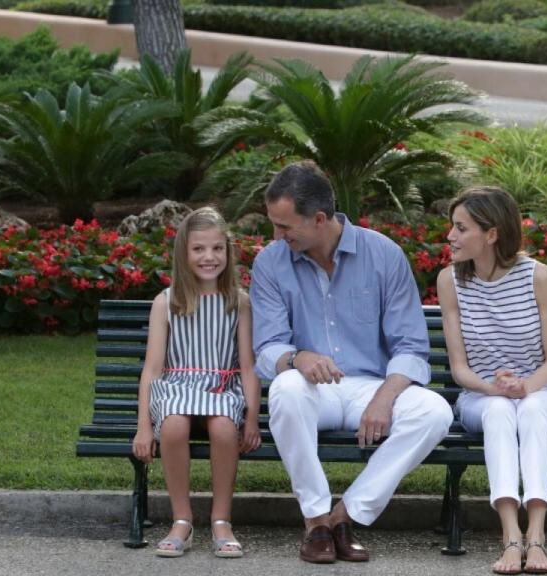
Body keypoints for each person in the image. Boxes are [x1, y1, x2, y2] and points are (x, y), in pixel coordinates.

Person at [250, 160, 453, 564]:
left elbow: (411, 346)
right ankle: (315, 521)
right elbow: (268, 347)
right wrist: (298, 357)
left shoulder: (384, 255)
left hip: (370, 387)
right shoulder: (271, 262)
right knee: (286, 390)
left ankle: (345, 516)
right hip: (312, 389)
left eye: (284, 226)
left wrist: (384, 398)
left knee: (435, 412)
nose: (277, 236)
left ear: (319, 219)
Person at [437, 187, 547, 575]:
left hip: (542, 391)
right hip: (481, 396)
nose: (451, 236)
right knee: (498, 410)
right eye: (452, 227)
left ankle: (536, 535)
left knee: (530, 410)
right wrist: (494, 388)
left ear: (492, 234)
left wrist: (525, 386)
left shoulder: (537, 276)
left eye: (461, 228)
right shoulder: (450, 281)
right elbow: (460, 368)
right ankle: (511, 535)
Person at [132, 207, 262, 558]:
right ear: (184, 253)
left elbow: (247, 366)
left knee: (223, 429)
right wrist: (144, 426)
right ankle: (182, 520)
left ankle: (221, 520)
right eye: (199, 249)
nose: (209, 257)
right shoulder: (166, 302)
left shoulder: (239, 302)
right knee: (173, 427)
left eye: (217, 248)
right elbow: (152, 369)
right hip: (177, 387)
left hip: (221, 387)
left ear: (228, 252)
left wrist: (251, 418)